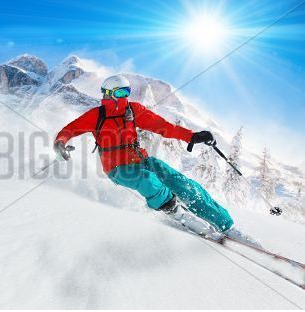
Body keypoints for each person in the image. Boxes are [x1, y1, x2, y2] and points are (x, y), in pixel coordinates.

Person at [53, 74, 254, 243]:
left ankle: (225, 225)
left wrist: (192, 136)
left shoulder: (133, 111)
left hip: (141, 160)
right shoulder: (96, 116)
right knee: (147, 180)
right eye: (121, 93)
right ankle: (176, 212)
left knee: (182, 182)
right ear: (108, 94)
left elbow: (164, 127)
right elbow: (68, 130)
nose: (125, 97)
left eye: (127, 92)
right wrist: (60, 143)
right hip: (117, 168)